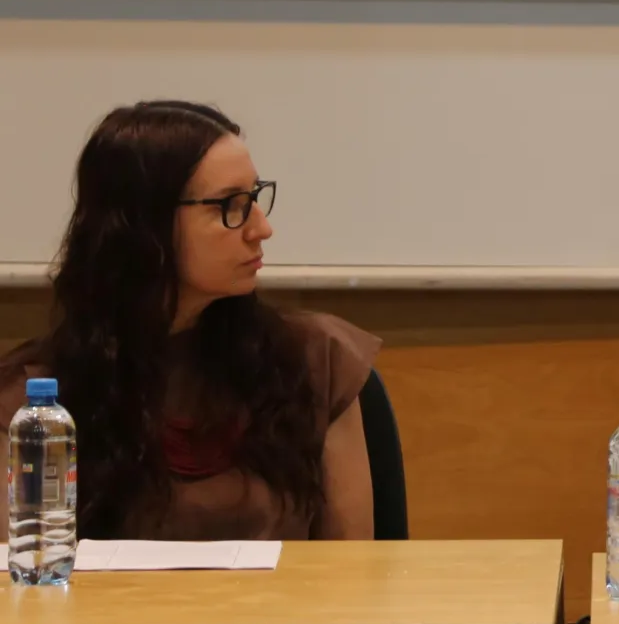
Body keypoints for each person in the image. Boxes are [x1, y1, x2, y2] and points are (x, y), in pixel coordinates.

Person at [0, 101, 381, 540]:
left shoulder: (315, 362)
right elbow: (27, 588)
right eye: (231, 205)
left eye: (255, 199)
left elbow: (353, 576)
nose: (261, 228)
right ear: (146, 227)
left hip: (283, 610)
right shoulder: (36, 404)